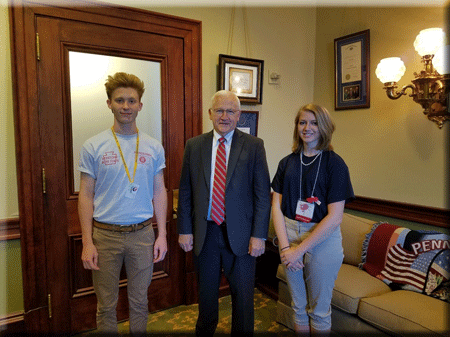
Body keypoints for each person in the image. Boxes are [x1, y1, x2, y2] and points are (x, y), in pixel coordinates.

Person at [78, 72, 168, 334]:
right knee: (106, 305)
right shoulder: (93, 146)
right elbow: (85, 195)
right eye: (119, 100)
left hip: (142, 235)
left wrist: (161, 235)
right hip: (105, 236)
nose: (125, 106)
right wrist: (87, 241)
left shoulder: (153, 147)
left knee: (140, 302)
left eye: (131, 101)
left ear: (140, 105)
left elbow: (159, 191)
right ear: (109, 104)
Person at [177, 90, 271, 336]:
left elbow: (262, 196)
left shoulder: (254, 146)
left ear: (239, 115)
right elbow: (185, 192)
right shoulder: (194, 145)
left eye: (231, 111)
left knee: (243, 298)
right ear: (210, 114)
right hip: (205, 234)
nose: (225, 116)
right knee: (206, 297)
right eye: (219, 110)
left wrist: (259, 235)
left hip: (241, 235)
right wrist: (185, 230)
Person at [271, 103, 354, 336]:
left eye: (314, 122)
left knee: (318, 310)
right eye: (302, 122)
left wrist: (299, 251)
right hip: (289, 233)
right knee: (297, 307)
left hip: (321, 238)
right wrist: (287, 247)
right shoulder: (287, 162)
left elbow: (335, 217)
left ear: (324, 127)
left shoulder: (335, 164)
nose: (307, 127)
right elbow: (276, 207)